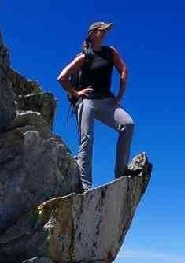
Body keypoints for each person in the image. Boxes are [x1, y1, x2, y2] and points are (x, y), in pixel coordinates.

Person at [57, 21, 135, 191]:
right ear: (93, 34)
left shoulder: (110, 52)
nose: (105, 33)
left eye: (106, 30)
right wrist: (77, 94)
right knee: (87, 140)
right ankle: (86, 187)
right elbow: (62, 78)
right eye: (102, 30)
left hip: (107, 100)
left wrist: (120, 94)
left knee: (128, 125)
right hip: (88, 102)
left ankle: (121, 174)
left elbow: (123, 70)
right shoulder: (84, 56)